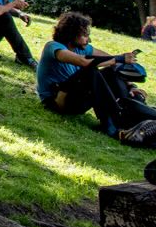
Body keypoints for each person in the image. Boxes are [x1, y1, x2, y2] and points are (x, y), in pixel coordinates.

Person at [37, 11, 156, 140]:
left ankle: (138, 116)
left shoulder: (82, 48)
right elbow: (83, 61)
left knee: (110, 71)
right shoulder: (53, 47)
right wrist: (119, 58)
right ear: (71, 34)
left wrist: (131, 86)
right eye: (84, 35)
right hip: (57, 101)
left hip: (76, 98)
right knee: (91, 71)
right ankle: (113, 128)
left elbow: (112, 62)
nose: (88, 39)